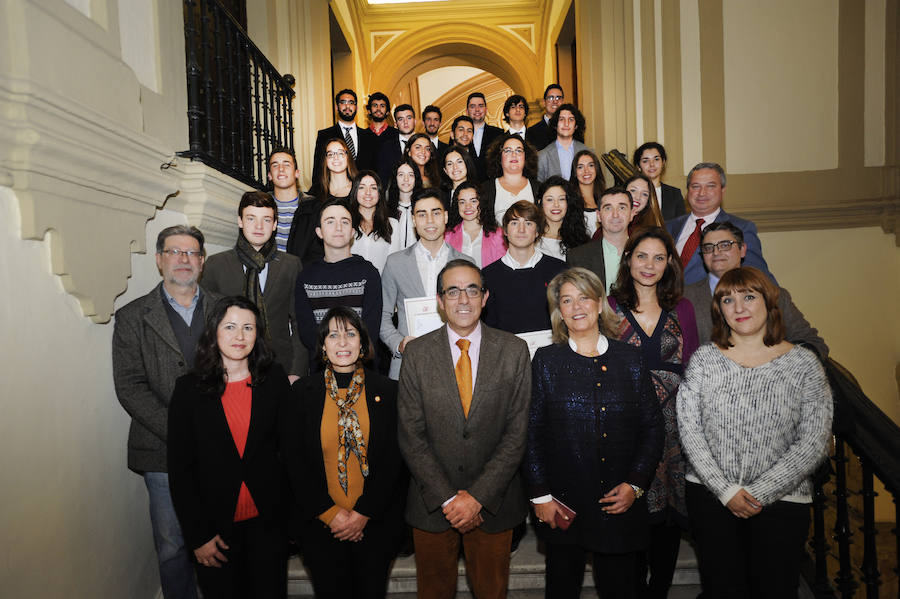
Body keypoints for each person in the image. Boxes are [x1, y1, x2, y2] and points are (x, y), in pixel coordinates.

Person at [677, 266, 833, 598]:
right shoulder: (704, 360)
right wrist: (725, 490)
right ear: (718, 310)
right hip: (711, 498)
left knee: (775, 590)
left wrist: (761, 491)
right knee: (722, 590)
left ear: (769, 302)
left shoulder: (804, 364)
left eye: (749, 296)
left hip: (782, 501)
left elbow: (814, 441)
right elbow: (690, 431)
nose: (739, 307)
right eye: (728, 300)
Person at [524, 267, 664, 599]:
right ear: (559, 311)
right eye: (566, 301)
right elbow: (532, 432)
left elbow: (652, 427)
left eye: (584, 298)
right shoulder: (546, 361)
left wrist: (635, 485)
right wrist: (540, 495)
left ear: (600, 304)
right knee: (562, 587)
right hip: (563, 503)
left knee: (621, 588)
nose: (576, 307)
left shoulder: (630, 359)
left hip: (619, 502)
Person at [398, 259, 532, 599]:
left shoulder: (514, 350)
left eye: (472, 290)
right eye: (453, 291)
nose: (463, 299)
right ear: (440, 301)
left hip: (494, 504)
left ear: (485, 297)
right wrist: (448, 497)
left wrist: (477, 498)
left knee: (491, 592)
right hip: (432, 503)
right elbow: (411, 436)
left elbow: (518, 433)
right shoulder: (416, 354)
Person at [113, 225, 222, 599]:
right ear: (159, 260)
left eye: (191, 253)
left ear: (202, 262)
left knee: (222, 537)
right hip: (161, 451)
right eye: (174, 252)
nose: (183, 260)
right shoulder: (131, 317)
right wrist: (179, 430)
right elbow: (129, 386)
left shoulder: (225, 310)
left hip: (221, 445)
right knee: (173, 545)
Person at [167, 296, 290, 598]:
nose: (240, 336)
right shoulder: (188, 390)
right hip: (215, 529)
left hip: (268, 525)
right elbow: (181, 471)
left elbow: (290, 452)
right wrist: (198, 536)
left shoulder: (274, 379)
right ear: (214, 332)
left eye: (248, 327)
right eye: (231, 326)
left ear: (258, 334)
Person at [283, 307, 405, 599]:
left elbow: (393, 460)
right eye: (333, 335)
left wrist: (363, 513)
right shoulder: (302, 394)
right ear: (322, 345)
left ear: (362, 344)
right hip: (320, 525)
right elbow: (293, 461)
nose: (342, 342)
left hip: (374, 524)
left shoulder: (388, 391)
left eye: (350, 334)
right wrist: (330, 515)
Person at [608, 227, 699, 598]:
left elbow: (693, 368)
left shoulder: (684, 308)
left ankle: (658, 590)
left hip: (675, 431)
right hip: (625, 430)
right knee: (631, 518)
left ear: (669, 264)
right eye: (642, 256)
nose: (649, 265)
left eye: (659, 258)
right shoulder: (609, 307)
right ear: (628, 259)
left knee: (668, 521)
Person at [202, 191, 307, 382]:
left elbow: (301, 321)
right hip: (228, 370)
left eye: (266, 220)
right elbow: (207, 322)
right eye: (251, 218)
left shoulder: (291, 265)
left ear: (275, 225)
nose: (259, 226)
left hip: (280, 366)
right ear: (240, 221)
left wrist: (296, 370)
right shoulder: (216, 265)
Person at [683, 222, 828, 356]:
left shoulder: (775, 295)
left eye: (725, 245)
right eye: (708, 248)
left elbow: (814, 344)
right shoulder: (684, 298)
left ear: (742, 250)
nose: (716, 252)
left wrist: (773, 365)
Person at [380, 189, 472, 379]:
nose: (429, 220)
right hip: (408, 366)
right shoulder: (395, 263)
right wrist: (399, 344)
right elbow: (382, 314)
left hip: (455, 365)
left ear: (446, 216)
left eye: (436, 213)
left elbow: (474, 314)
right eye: (422, 214)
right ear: (414, 220)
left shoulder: (466, 264)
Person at [294, 199, 382, 366]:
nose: (338, 227)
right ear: (319, 232)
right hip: (322, 372)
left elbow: (371, 329)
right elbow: (307, 333)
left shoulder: (368, 273)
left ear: (352, 232)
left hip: (362, 370)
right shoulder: (306, 277)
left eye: (345, 221)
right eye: (330, 221)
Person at [666, 162, 775, 285]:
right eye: (695, 186)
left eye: (711, 186)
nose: (702, 193)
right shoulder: (668, 227)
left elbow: (761, 278)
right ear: (687, 191)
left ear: (722, 190)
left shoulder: (742, 228)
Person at [483, 201, 567, 334]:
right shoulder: (487, 276)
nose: (521, 230)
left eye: (528, 223)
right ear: (505, 231)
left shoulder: (559, 270)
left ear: (537, 231)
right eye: (514, 223)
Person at [286, 138, 358, 267]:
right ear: (325, 160)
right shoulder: (316, 191)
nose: (335, 157)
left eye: (340, 153)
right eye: (330, 154)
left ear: (348, 157)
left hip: (353, 253)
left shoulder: (359, 190)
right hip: (320, 260)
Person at [566, 186, 634, 291]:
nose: (615, 215)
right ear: (598, 216)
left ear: (632, 214)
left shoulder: (644, 254)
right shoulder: (577, 257)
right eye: (608, 208)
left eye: (622, 208)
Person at [310, 89, 377, 191]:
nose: (347, 106)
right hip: (334, 193)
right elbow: (318, 170)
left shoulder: (369, 136)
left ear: (356, 107)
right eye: (343, 102)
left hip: (364, 193)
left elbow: (375, 169)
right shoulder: (324, 135)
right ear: (337, 107)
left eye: (351, 103)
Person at [347, 171, 401, 273]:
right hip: (351, 285)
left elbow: (395, 265)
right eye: (362, 187)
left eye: (373, 188)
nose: (368, 192)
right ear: (355, 191)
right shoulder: (346, 223)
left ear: (380, 193)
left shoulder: (393, 224)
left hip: (382, 286)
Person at [480, 133, 539, 224]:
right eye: (508, 150)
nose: (514, 155)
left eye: (519, 151)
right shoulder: (485, 189)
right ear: (499, 157)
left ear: (526, 157)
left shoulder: (538, 188)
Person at [444, 182, 505, 269]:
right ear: (457, 205)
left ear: (482, 203)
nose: (468, 206)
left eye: (473, 201)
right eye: (462, 202)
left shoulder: (498, 234)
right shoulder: (447, 236)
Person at [534, 176, 589, 260]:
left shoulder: (579, 239)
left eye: (561, 199)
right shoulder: (531, 237)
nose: (556, 205)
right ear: (540, 202)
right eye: (550, 200)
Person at [632, 142, 686, 222]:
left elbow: (681, 225)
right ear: (638, 166)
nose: (652, 164)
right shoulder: (630, 192)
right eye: (645, 161)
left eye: (656, 159)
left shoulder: (674, 193)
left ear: (663, 162)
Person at [266, 146, 304, 253]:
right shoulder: (260, 206)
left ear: (297, 173)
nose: (281, 169)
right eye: (275, 165)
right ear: (270, 175)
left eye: (286, 164)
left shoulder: (311, 207)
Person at [537, 103, 588, 181]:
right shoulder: (543, 155)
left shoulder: (586, 152)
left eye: (571, 119)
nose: (566, 124)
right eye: (561, 119)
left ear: (576, 126)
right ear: (555, 125)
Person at [385, 158, 423, 250]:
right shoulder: (386, 210)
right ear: (395, 178)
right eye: (401, 175)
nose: (406, 179)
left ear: (416, 179)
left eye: (411, 175)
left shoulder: (423, 209)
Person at [376, 103, 417, 184]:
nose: (405, 122)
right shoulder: (386, 147)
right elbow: (383, 178)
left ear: (415, 121)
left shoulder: (426, 144)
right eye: (401, 119)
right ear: (395, 124)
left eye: (409, 118)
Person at [569, 149, 605, 238]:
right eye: (580, 167)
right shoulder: (569, 199)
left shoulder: (606, 197)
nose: (586, 171)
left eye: (591, 165)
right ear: (575, 172)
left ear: (597, 169)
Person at [466, 91, 503, 161]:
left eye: (480, 106)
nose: (477, 110)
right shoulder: (459, 134)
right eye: (472, 106)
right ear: (467, 111)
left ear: (486, 110)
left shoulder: (498, 134)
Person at [526, 84, 565, 150]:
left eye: (558, 98)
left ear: (563, 102)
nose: (555, 101)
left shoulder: (571, 128)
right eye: (551, 98)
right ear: (544, 102)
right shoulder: (532, 132)